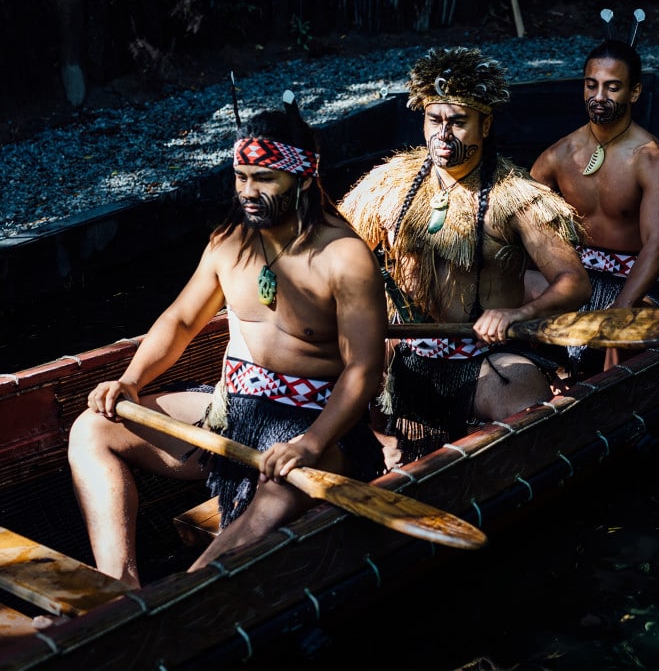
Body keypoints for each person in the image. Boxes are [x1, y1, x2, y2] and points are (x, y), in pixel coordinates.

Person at [67, 92, 387, 588]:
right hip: (228, 413)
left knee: (275, 493)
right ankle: (119, 586)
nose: (248, 191)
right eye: (241, 177)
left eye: (264, 178)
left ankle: (179, 599)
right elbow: (179, 321)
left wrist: (310, 444)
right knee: (92, 429)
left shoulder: (344, 257)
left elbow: (365, 371)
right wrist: (130, 382)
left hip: (317, 427)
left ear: (304, 178)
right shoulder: (228, 242)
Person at [340, 47, 590, 463]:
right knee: (330, 359)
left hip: (484, 359)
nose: (443, 134)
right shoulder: (389, 183)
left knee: (526, 397)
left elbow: (575, 282)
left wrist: (515, 315)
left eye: (458, 122)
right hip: (406, 352)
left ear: (485, 124)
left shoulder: (516, 197)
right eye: (434, 120)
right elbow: (335, 249)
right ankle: (378, 450)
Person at [530, 37, 659, 373]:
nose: (598, 97)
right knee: (511, 293)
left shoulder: (650, 159)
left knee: (623, 335)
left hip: (632, 283)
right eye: (591, 85)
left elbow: (658, 243)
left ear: (634, 93)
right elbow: (519, 214)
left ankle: (606, 402)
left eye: (612, 87)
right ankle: (539, 377)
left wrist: (621, 308)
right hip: (575, 278)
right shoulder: (560, 154)